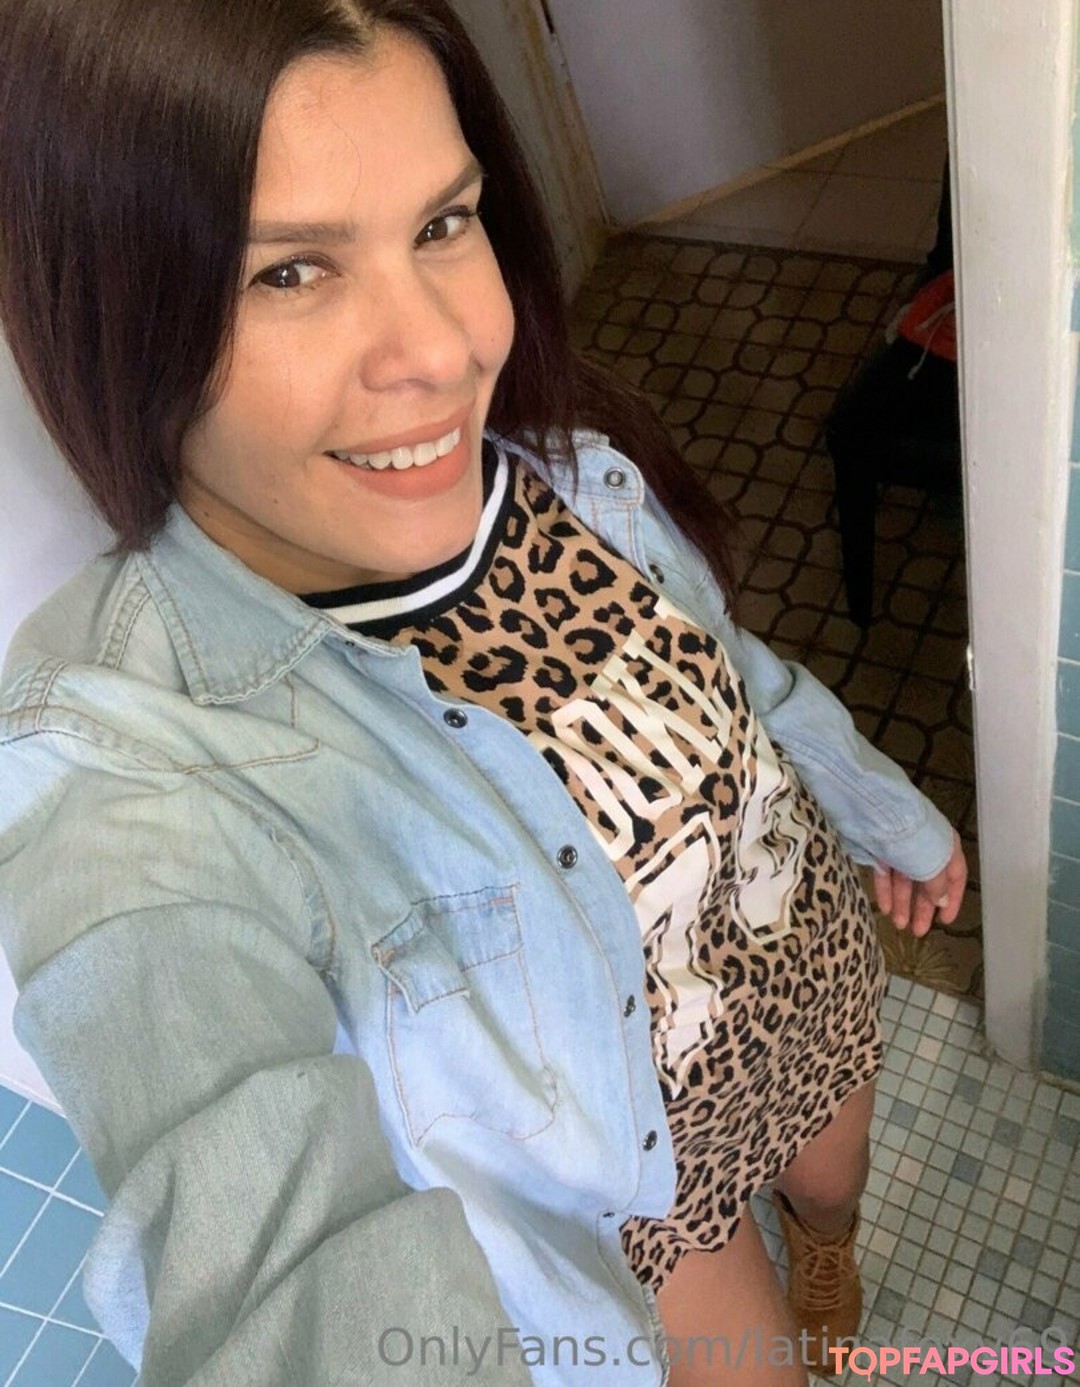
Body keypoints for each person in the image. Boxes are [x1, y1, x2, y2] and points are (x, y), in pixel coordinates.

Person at [0, 1, 967, 1383]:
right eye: (290, 272)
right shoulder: (131, 760)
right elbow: (267, 1234)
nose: (446, 352)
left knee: (831, 1182)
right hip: (638, 1166)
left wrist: (884, 809)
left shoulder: (573, 479)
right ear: (117, 309)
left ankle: (829, 1246)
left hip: (798, 954)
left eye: (444, 224)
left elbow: (735, 681)